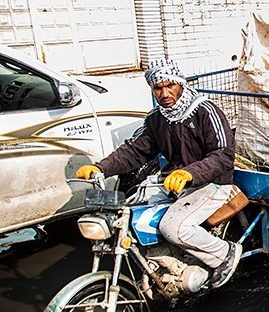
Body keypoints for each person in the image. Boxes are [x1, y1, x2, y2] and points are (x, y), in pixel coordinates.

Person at [76, 59, 242, 289]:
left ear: (180, 84)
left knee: (173, 227)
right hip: (173, 183)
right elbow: (135, 149)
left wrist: (190, 173)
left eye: (169, 85)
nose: (164, 93)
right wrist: (101, 167)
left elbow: (223, 154)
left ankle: (224, 253)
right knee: (128, 214)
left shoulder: (205, 111)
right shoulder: (156, 118)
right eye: (158, 88)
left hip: (214, 184)